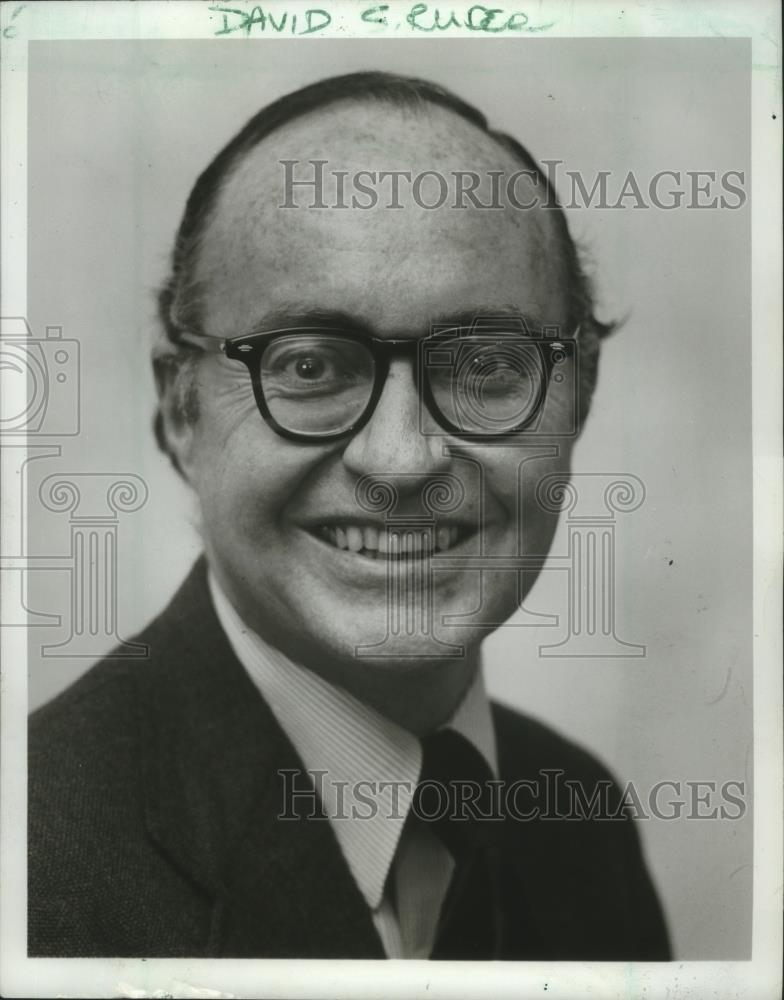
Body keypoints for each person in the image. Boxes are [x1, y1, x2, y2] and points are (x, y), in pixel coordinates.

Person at [28, 71, 671, 960]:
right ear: (182, 413)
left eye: (484, 367)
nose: (401, 459)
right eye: (310, 367)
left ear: (579, 396)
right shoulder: (28, 866)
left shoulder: (578, 817)